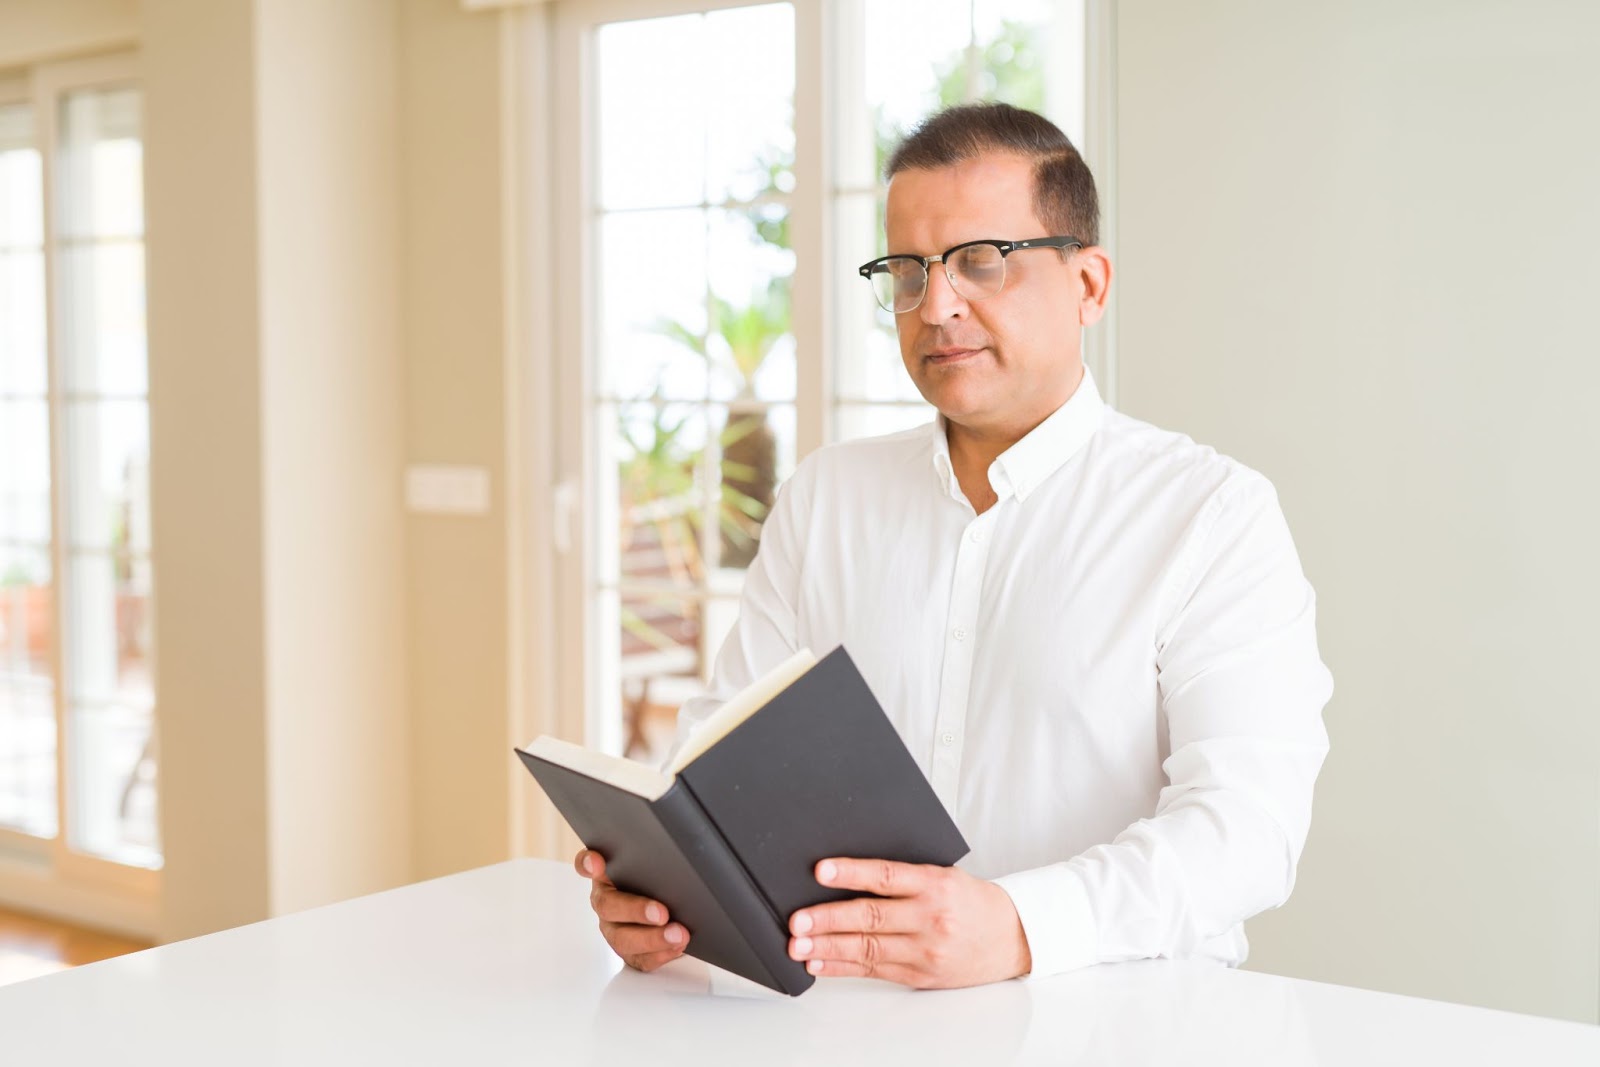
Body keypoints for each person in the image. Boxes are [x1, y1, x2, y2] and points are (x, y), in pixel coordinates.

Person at [576, 102, 1333, 989]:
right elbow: (723, 751)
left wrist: (1017, 925)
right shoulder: (828, 496)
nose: (936, 305)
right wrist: (672, 887)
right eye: (908, 269)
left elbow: (1248, 829)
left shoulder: (1211, 514)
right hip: (841, 1023)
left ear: (1089, 284)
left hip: (1116, 1022)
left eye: (983, 262)